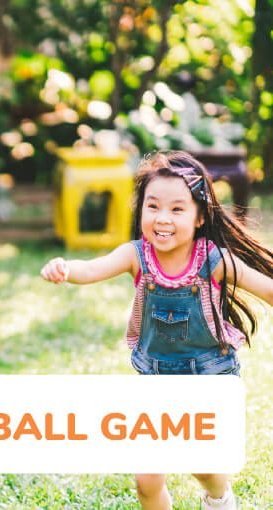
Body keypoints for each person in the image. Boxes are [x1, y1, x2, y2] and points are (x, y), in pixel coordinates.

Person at [40, 151, 273, 510]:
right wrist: (65, 268)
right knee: (147, 480)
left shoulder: (212, 259)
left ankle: (219, 498)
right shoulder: (136, 255)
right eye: (153, 206)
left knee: (204, 466)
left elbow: (266, 288)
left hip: (210, 377)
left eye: (177, 209)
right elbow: (92, 269)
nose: (163, 218)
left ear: (199, 217)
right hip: (156, 379)